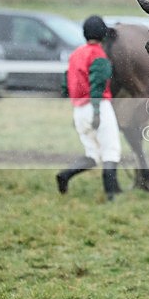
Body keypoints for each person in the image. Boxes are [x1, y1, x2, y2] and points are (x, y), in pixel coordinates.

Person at [56, 15, 122, 201]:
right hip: (98, 106)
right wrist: (96, 111)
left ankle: (66, 175)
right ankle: (110, 195)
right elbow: (98, 84)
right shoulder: (98, 55)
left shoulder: (76, 54)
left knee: (93, 154)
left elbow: (65, 84)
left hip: (79, 109)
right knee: (111, 151)